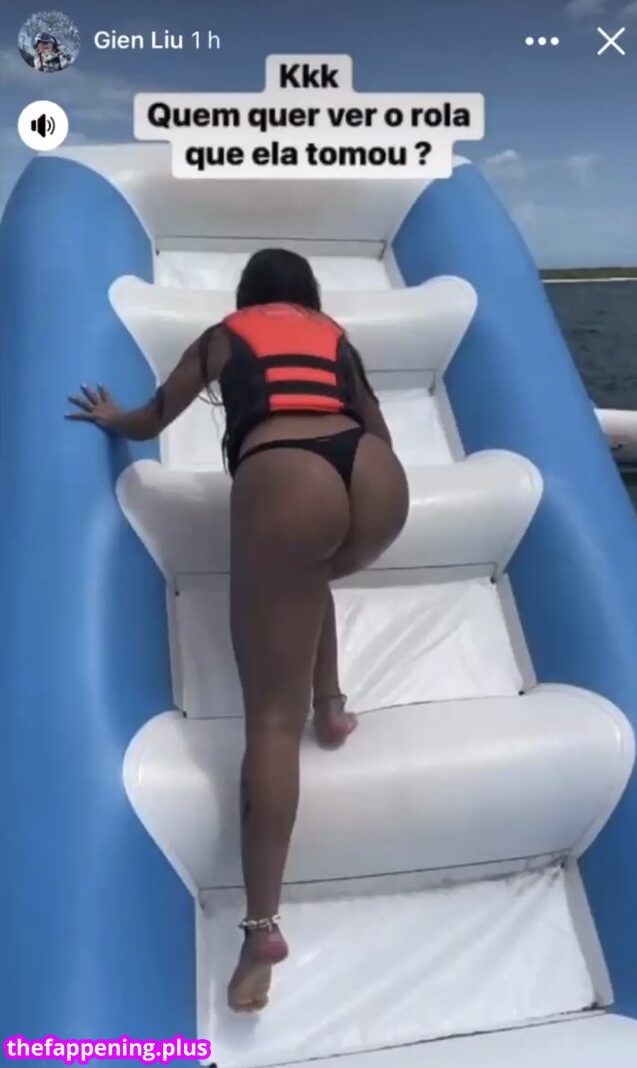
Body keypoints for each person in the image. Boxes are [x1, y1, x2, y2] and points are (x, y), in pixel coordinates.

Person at [66, 248, 409, 1012]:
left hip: (288, 478)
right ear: (307, 295)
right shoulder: (334, 335)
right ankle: (333, 706)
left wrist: (112, 418)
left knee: (270, 723)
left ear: (248, 295)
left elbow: (154, 417)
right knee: (307, 572)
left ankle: (260, 933)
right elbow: (380, 429)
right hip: (379, 484)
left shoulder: (226, 334)